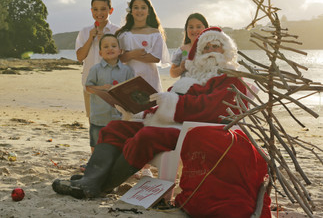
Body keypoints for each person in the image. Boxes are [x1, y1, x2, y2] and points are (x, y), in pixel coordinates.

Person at [52, 27, 249, 199]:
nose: (210, 52)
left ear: (227, 51)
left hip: (194, 132)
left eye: (216, 46)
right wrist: (137, 111)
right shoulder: (190, 79)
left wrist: (173, 102)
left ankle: (98, 185)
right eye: (205, 48)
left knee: (147, 136)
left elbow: (211, 109)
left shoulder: (231, 79)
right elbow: (162, 103)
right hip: (170, 124)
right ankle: (91, 179)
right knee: (116, 128)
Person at [85, 34, 134, 153]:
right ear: (100, 53)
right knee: (96, 143)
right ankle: (94, 163)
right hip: (99, 117)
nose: (110, 48)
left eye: (113, 46)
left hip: (119, 117)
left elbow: (131, 91)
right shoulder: (95, 69)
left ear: (120, 51)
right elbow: (88, 88)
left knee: (118, 143)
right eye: (106, 46)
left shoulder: (127, 70)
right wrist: (101, 88)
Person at [75, 0, 119, 122]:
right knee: (94, 125)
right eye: (95, 9)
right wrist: (90, 38)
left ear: (110, 10)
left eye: (103, 9)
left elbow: (121, 58)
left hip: (112, 86)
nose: (99, 13)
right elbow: (79, 57)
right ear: (91, 11)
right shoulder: (84, 31)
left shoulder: (117, 31)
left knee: (112, 125)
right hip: (91, 85)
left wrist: (104, 43)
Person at [115, 0, 170, 93]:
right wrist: (132, 54)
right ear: (131, 11)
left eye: (143, 7)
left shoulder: (155, 33)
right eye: (136, 7)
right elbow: (118, 59)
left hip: (149, 77)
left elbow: (156, 58)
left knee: (150, 105)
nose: (139, 10)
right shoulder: (123, 34)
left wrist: (130, 55)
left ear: (148, 11)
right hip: (128, 76)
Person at [170, 13, 209, 78]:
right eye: (191, 27)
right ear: (186, 29)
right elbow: (172, 74)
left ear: (206, 28)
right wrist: (181, 68)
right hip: (187, 86)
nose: (194, 30)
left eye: (198, 27)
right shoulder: (182, 50)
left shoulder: (211, 48)